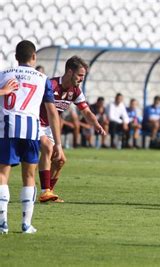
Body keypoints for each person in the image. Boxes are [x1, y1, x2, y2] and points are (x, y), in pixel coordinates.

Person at [0, 40, 66, 234]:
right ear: (34, 57)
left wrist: (3, 92)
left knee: (3, 175)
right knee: (29, 176)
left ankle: (2, 223)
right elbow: (52, 113)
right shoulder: (43, 78)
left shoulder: (4, 74)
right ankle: (26, 224)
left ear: (15, 57)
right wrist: (59, 144)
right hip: (30, 131)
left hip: (7, 129)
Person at [38, 56, 106, 203]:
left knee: (60, 160)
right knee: (48, 148)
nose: (82, 79)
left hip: (50, 128)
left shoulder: (75, 91)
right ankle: (44, 192)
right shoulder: (50, 84)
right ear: (69, 72)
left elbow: (86, 111)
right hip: (36, 123)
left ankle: (49, 192)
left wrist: (96, 124)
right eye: (80, 75)